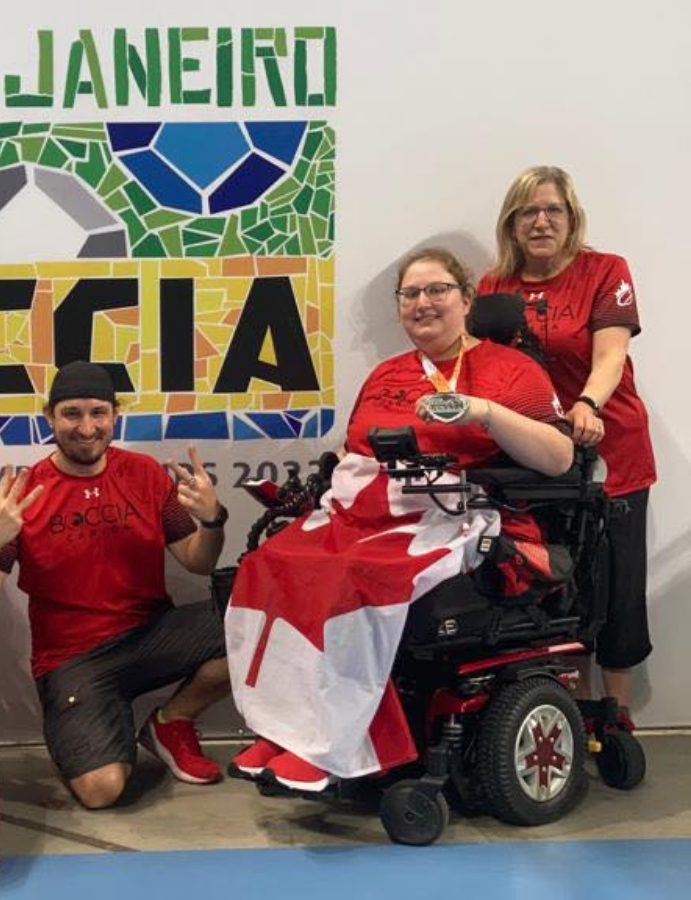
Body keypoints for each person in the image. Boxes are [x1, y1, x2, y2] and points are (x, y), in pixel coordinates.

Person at [227, 248, 574, 791]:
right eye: (410, 294)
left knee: (355, 575)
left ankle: (335, 744)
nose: (423, 303)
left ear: (466, 299)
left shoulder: (511, 371)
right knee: (269, 563)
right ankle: (288, 729)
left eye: (437, 290)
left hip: (456, 517)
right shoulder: (386, 374)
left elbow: (559, 458)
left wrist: (484, 411)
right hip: (369, 512)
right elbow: (354, 454)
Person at [0, 360, 231, 810]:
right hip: (75, 660)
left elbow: (199, 562)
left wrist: (212, 520)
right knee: (101, 791)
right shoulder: (26, 491)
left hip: (150, 637)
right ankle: (102, 726)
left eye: (98, 413)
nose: (87, 428)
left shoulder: (145, 475)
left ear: (115, 415)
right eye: (72, 414)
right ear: (49, 417)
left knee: (256, 621)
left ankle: (171, 721)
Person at [478, 166, 655, 729]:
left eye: (553, 210)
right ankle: (565, 712)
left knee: (617, 585)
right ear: (512, 223)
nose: (541, 221)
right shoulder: (492, 286)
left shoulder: (606, 271)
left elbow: (611, 355)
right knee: (553, 584)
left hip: (611, 453)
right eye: (529, 211)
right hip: (533, 461)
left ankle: (617, 714)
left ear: (572, 218)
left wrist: (587, 405)